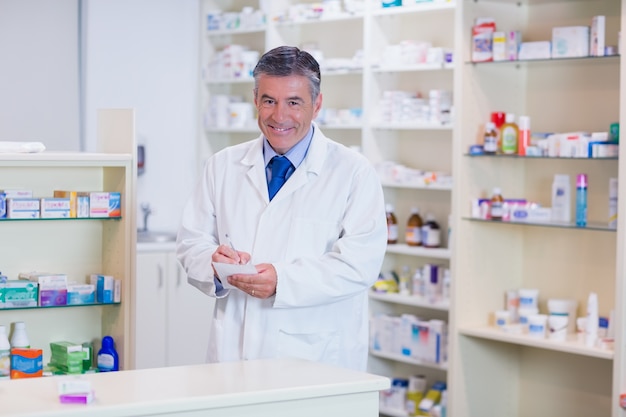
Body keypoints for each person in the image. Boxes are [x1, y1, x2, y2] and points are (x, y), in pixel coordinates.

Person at [176, 45, 387, 371]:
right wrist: (213, 263)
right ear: (255, 100)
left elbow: (359, 265)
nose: (279, 116)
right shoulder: (223, 165)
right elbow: (191, 242)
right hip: (233, 353)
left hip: (315, 358)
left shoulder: (353, 172)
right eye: (269, 101)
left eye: (294, 102)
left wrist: (284, 281)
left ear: (316, 104)